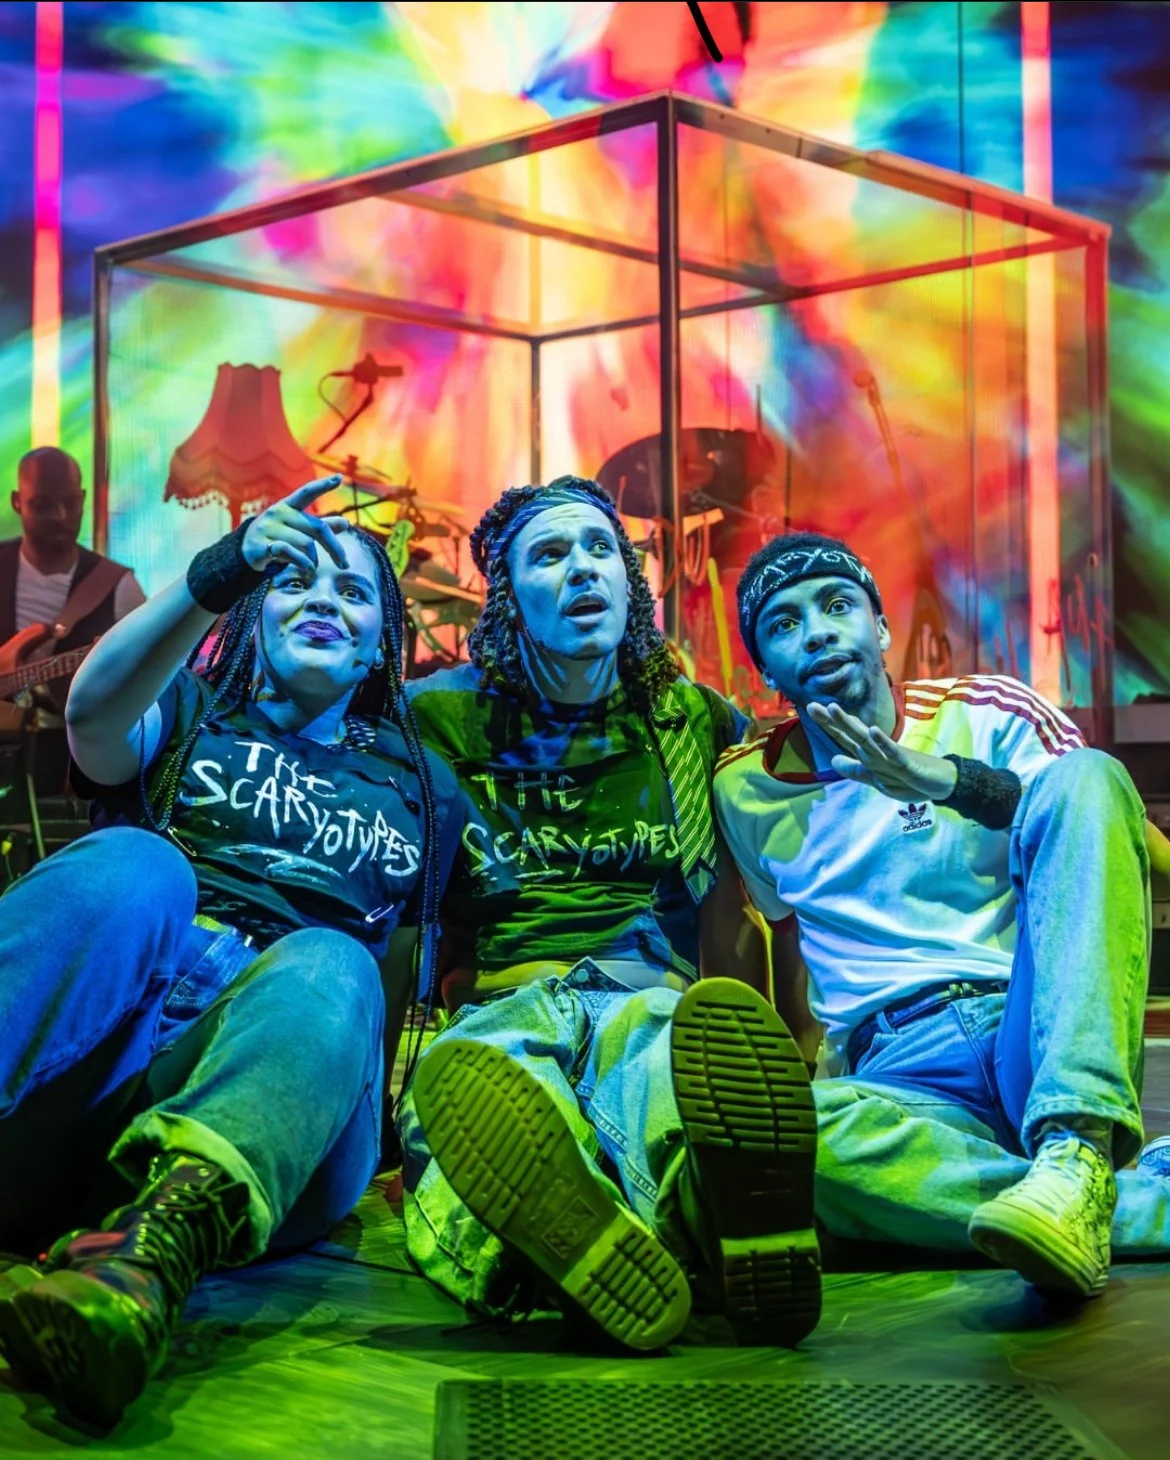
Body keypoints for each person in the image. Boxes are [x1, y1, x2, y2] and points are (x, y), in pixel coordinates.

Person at [0, 477, 462, 1429]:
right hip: (98, 1060)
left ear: (384, 641)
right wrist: (222, 568)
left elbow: (422, 974)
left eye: (353, 591)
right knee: (138, 867)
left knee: (333, 962)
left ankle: (141, 1266)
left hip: (268, 1112)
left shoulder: (425, 786)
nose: (324, 600)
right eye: (295, 579)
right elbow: (90, 718)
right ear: (254, 610)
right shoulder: (195, 709)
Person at [398, 476, 821, 1355]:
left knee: (668, 1098)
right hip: (508, 1001)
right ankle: (638, 1242)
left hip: (647, 999)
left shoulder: (691, 718)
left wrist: (801, 1043)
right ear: (509, 598)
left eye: (601, 552)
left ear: (632, 583)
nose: (583, 570)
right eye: (551, 556)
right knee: (483, 1117)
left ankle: (696, 1228)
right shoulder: (438, 718)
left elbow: (766, 870)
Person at [714, 528, 1170, 1300]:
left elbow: (1120, 831)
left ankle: (1070, 1145)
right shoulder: (745, 790)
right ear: (766, 672)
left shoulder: (989, 713)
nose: (817, 630)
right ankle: (1100, 1190)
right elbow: (787, 953)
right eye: (784, 624)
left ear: (882, 628)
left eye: (836, 605)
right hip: (898, 1071)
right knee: (783, 1151)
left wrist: (953, 782)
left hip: (1035, 1024)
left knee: (1087, 774)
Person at [1, 447, 146, 793]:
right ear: (17, 501)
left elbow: (147, 671)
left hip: (73, 764)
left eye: (70, 502)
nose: (61, 515)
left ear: (83, 498)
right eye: (44, 505)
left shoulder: (118, 585)